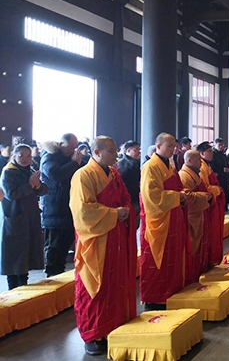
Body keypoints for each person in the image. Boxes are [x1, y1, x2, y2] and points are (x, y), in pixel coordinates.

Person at [69, 136, 136, 356]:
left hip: (115, 236)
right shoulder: (83, 175)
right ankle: (93, 333)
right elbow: (83, 212)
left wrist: (125, 209)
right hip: (96, 239)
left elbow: (126, 198)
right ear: (96, 152)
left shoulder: (114, 174)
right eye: (110, 151)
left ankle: (113, 325)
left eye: (116, 151)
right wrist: (116, 213)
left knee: (114, 283)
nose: (115, 156)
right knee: (94, 286)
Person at [139, 133, 188, 310]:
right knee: (156, 258)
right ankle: (155, 298)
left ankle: (171, 291)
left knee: (172, 255)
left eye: (174, 145)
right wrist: (177, 196)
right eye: (169, 146)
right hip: (158, 220)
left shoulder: (171, 164)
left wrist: (180, 193)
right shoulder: (150, 167)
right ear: (158, 146)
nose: (173, 149)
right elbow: (152, 197)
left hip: (173, 216)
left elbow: (177, 186)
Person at [1, 144, 48, 289]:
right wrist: (30, 185)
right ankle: (13, 291)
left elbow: (44, 189)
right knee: (15, 257)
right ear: (14, 155)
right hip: (15, 219)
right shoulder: (9, 172)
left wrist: (37, 185)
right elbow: (11, 194)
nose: (26, 159)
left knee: (25, 256)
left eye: (29, 156)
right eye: (21, 155)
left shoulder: (30, 170)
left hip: (30, 218)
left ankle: (24, 288)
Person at [40, 133, 82, 277]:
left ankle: (59, 273)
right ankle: (51, 275)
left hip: (68, 207)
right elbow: (56, 174)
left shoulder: (69, 158)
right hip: (54, 207)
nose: (72, 151)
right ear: (61, 144)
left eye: (74, 148)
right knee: (54, 246)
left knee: (64, 245)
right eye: (70, 147)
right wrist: (74, 163)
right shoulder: (49, 156)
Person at [179, 150, 212, 284]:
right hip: (192, 216)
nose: (201, 163)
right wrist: (205, 196)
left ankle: (198, 270)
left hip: (200, 213)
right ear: (190, 161)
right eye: (199, 160)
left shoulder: (194, 174)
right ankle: (190, 274)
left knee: (200, 245)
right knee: (192, 245)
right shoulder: (184, 175)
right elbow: (187, 197)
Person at [196, 142, 225, 268]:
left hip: (213, 202)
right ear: (202, 153)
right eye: (210, 151)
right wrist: (217, 190)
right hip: (207, 204)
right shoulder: (202, 167)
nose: (212, 154)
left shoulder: (207, 165)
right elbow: (205, 188)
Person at [117, 140, 141, 223]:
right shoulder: (128, 165)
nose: (138, 152)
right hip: (131, 199)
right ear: (128, 151)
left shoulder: (122, 163)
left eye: (139, 149)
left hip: (131, 198)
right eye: (136, 150)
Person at [211, 138, 229, 211]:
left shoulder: (223, 154)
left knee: (225, 192)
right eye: (219, 145)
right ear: (215, 145)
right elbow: (212, 167)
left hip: (225, 177)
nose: (221, 147)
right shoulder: (213, 155)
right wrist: (222, 170)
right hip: (218, 177)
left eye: (222, 145)